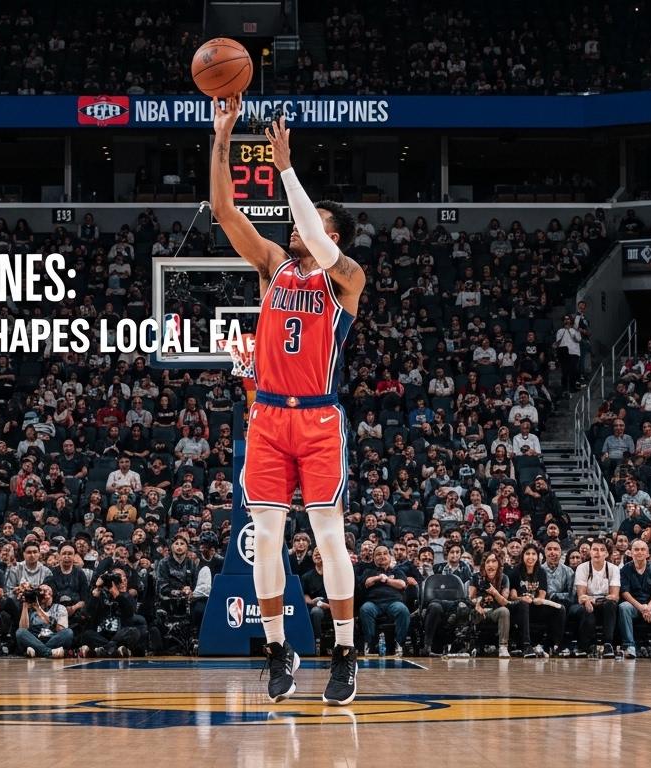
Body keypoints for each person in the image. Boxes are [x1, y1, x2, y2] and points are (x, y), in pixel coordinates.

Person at [212, 96, 363, 705]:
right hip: (268, 416)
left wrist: (286, 171)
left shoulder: (345, 276)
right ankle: (279, 651)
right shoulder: (273, 268)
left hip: (320, 417)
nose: (297, 227)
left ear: (331, 234)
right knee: (267, 539)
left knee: (329, 538)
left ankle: (346, 654)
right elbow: (224, 210)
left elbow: (325, 252)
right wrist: (222, 138)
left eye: (312, 221)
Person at [510, 542, 565, 657]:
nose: (530, 557)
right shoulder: (516, 571)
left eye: (533, 554)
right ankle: (526, 646)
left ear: (538, 556)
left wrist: (538, 599)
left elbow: (542, 594)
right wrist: (523, 598)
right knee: (524, 604)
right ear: (523, 556)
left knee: (560, 609)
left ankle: (554, 645)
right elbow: (513, 596)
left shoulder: (541, 572)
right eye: (527, 554)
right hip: (519, 608)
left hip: (535, 606)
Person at [358, 546, 412, 656]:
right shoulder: (369, 571)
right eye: (378, 554)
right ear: (374, 558)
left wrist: (386, 580)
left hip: (393, 602)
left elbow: (402, 584)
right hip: (374, 603)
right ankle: (371, 644)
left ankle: (399, 644)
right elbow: (367, 582)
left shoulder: (397, 571)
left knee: (403, 610)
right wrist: (378, 578)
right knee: (365, 609)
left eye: (385, 553)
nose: (382, 556)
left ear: (390, 556)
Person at [571, 538, 620, 657]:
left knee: (611, 605)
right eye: (595, 549)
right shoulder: (582, 567)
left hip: (604, 603)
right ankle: (587, 646)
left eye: (601, 550)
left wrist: (596, 600)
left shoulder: (614, 568)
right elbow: (581, 596)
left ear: (606, 553)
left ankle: (608, 644)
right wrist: (588, 600)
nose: (598, 552)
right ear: (590, 552)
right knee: (586, 608)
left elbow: (615, 596)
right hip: (586, 603)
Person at [469, 553, 512, 657]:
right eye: (487, 562)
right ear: (484, 565)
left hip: (495, 611)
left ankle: (503, 647)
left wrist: (495, 593)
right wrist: (478, 604)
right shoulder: (476, 577)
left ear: (499, 564)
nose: (490, 564)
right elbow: (470, 598)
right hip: (479, 610)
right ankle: (470, 646)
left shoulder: (504, 578)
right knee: (467, 611)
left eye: (494, 561)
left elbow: (505, 602)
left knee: (504, 611)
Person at [14, 583, 72, 658]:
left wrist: (38, 609)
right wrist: (25, 605)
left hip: (53, 639)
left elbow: (61, 629)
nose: (42, 593)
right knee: (20, 632)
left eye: (45, 590)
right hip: (34, 639)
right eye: (40, 591)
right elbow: (23, 628)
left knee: (68, 632)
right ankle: (49, 652)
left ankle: (38, 651)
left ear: (50, 594)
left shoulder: (60, 608)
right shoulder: (31, 607)